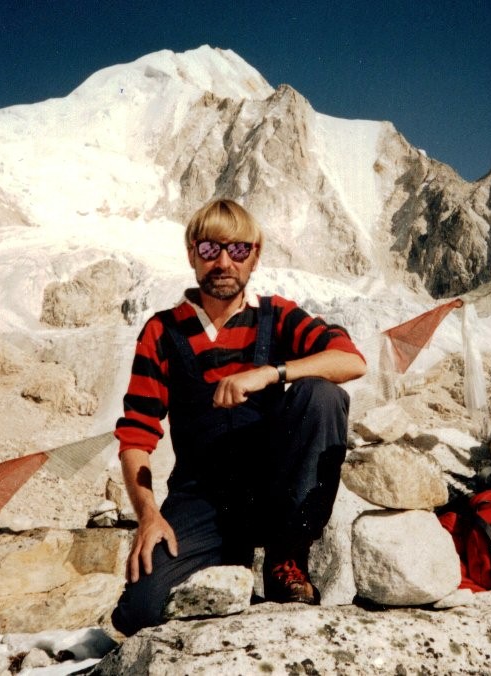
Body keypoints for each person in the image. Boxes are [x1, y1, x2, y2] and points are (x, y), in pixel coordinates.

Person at [111, 199, 366, 636]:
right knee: (142, 611)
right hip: (202, 495)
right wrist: (149, 515)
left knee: (320, 395)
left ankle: (288, 555)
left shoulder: (277, 315)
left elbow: (350, 361)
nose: (224, 262)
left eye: (239, 250)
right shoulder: (163, 331)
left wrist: (272, 372)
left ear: (256, 256)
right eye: (210, 250)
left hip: (273, 485)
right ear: (192, 254)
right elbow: (137, 434)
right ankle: (229, 560)